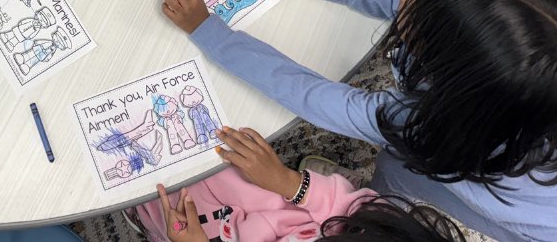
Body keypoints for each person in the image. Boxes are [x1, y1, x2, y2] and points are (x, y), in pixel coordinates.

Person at [160, 0, 557, 241]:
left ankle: (370, 215)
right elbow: (408, 0)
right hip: (515, 161)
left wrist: (206, 29)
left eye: (416, 5)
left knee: (410, 180)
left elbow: (307, 92)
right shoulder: (518, 66)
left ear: (446, 69)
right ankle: (365, 202)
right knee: (405, 166)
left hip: (532, 224)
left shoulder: (418, 121)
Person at [138, 129, 467, 242]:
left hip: (207, 230)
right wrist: (289, 182)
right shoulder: (390, 229)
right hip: (268, 200)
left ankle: (146, 220)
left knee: (160, 205)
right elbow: (354, 206)